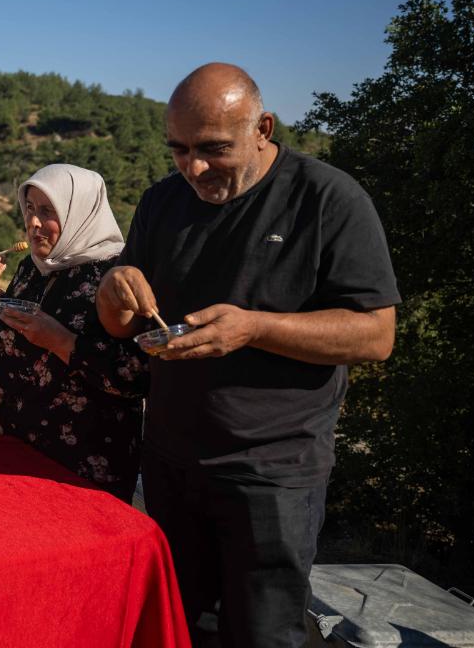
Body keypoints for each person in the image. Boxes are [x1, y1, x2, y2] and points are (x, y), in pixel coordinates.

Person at [95, 63, 400, 647]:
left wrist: (254, 328)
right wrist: (115, 291)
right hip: (170, 459)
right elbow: (119, 324)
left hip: (273, 472)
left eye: (213, 149)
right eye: (179, 150)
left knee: (265, 633)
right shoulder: (163, 201)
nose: (194, 168)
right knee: (182, 628)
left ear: (263, 127)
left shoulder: (327, 198)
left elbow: (375, 335)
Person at [0, 164, 147, 501]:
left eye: (47, 211)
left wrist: (61, 341)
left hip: (83, 465)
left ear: (80, 212)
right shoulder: (31, 270)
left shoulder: (118, 276)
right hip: (15, 449)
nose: (33, 223)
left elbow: (134, 376)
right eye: (30, 209)